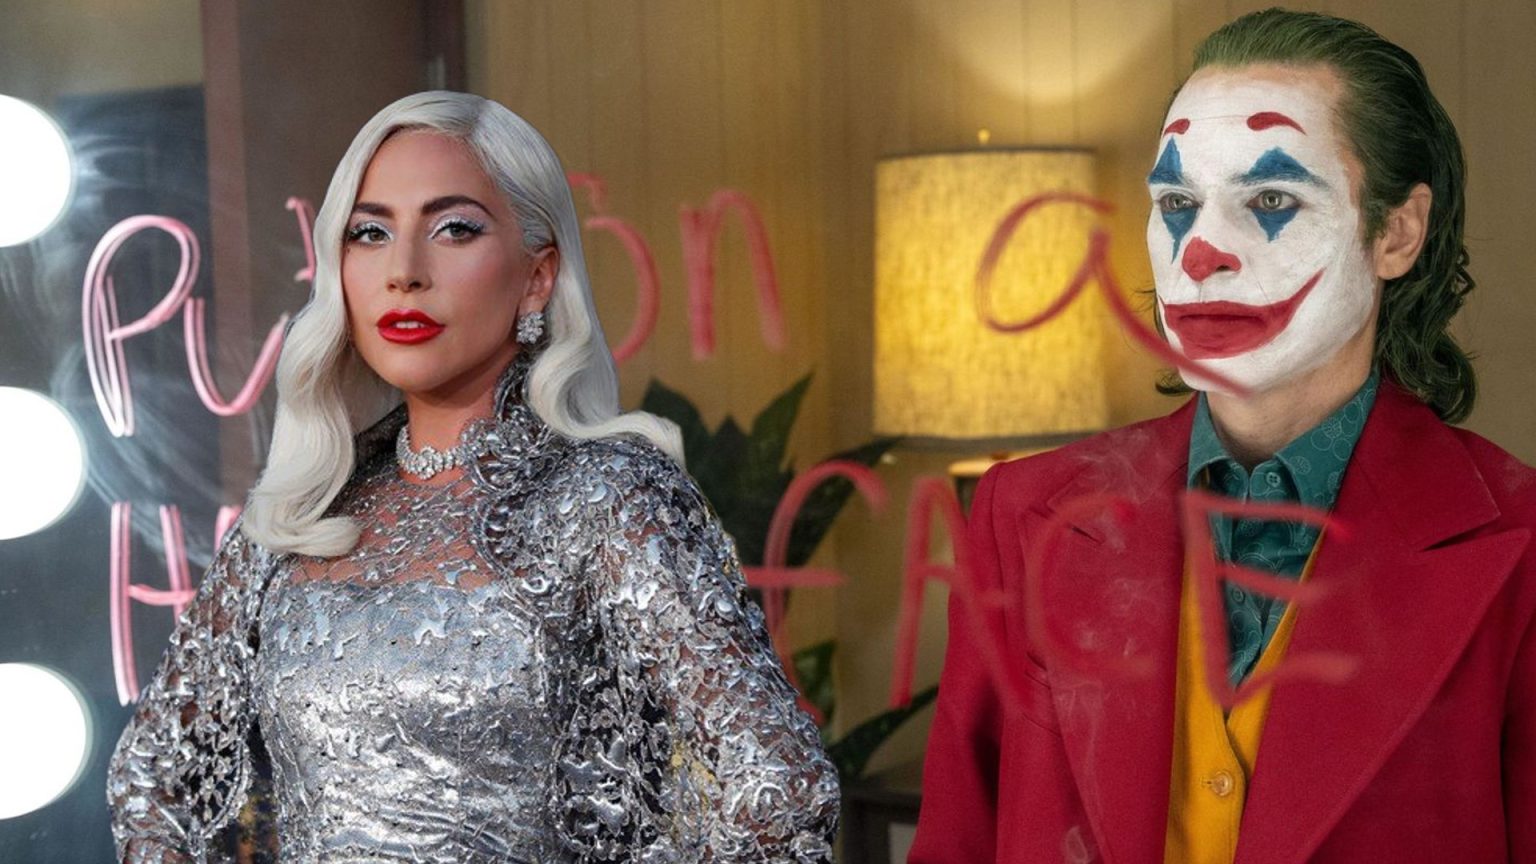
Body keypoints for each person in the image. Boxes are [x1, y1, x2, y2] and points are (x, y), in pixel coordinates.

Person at [106, 91, 839, 863]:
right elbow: (152, 782)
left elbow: (780, 790)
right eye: (370, 232)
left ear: (537, 276)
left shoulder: (608, 499)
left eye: (454, 228)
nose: (404, 272)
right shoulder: (300, 514)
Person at [911, 10, 1536, 863]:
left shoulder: (1520, 541)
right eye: (1176, 203)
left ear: (1396, 232)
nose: (1200, 251)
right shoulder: (1022, 514)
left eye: (1271, 199)